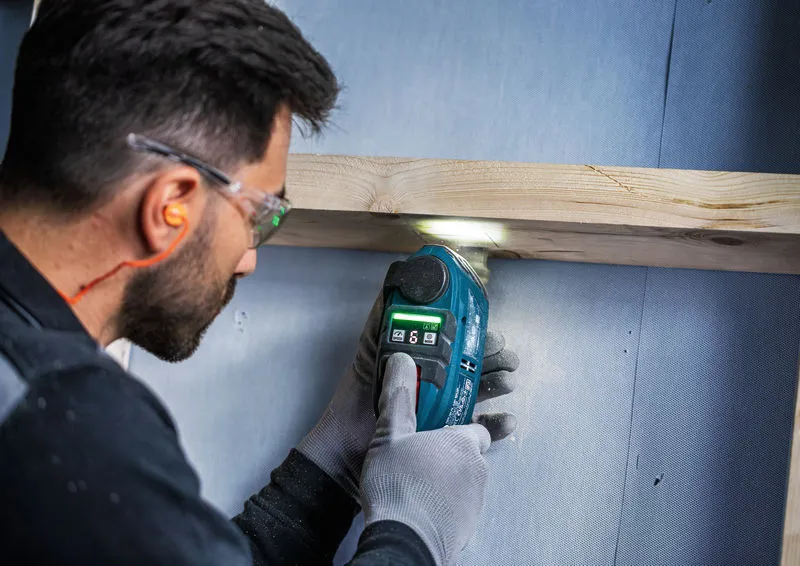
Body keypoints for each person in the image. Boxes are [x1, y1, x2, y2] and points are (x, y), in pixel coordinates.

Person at [0, 1, 520, 564]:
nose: (249, 258)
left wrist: (333, 464)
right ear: (170, 206)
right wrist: (412, 537)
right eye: (259, 215)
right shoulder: (63, 422)